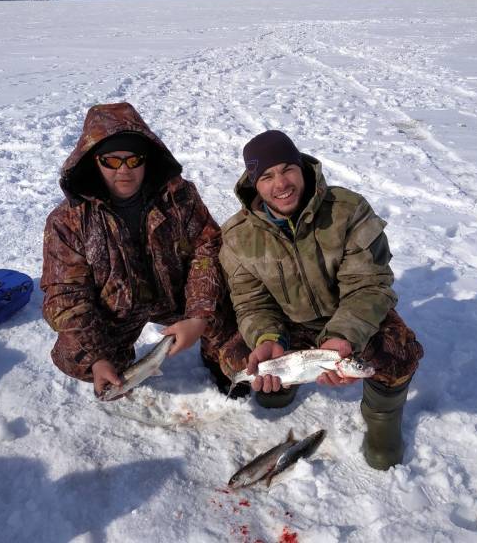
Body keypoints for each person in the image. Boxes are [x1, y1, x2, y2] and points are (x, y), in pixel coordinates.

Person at [219, 130, 424, 470]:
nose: (281, 183)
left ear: (302, 167)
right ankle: (280, 385)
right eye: (267, 176)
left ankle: (382, 418)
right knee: (235, 356)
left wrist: (343, 336)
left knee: (399, 351)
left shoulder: (348, 210)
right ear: (254, 184)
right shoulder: (239, 236)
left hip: (349, 319)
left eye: (288, 169)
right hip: (286, 326)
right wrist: (267, 339)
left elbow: (370, 283)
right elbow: (251, 302)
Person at [41, 102, 242, 397]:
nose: (124, 170)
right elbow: (65, 296)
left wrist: (198, 316)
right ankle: (118, 364)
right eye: (111, 161)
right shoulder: (67, 221)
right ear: (94, 161)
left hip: (179, 297)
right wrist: (97, 357)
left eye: (134, 160)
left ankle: (219, 360)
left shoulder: (179, 196)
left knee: (231, 306)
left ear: (147, 160)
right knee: (73, 352)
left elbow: (208, 247)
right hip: (116, 312)